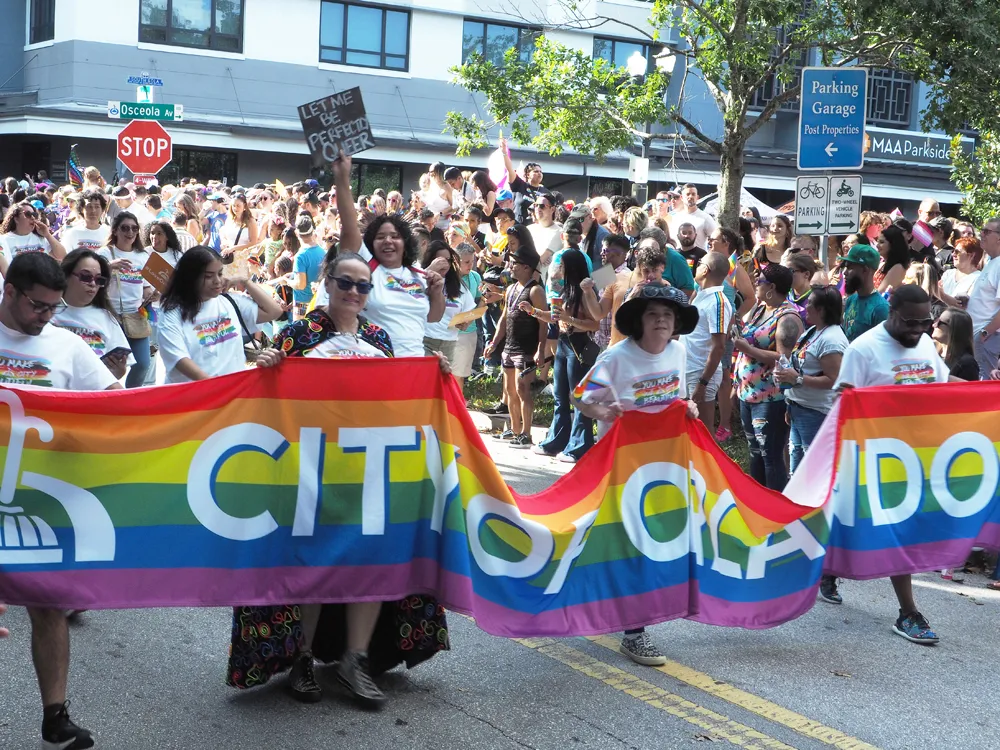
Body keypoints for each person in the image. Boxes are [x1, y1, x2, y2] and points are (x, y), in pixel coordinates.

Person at [228, 250, 449, 708]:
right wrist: (265, 367)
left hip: (370, 469)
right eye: (345, 282)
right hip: (310, 470)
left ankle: (356, 659)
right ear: (326, 282)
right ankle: (303, 657)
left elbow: (397, 401)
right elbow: (266, 401)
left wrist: (432, 377)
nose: (353, 291)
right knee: (314, 563)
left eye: (362, 285)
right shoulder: (298, 334)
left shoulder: (378, 337)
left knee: (373, 561)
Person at [0, 252, 122, 750]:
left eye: (53, 307)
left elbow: (116, 400)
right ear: (9, 291)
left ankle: (56, 718)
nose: (46, 316)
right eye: (38, 306)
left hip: (36, 502)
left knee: (48, 606)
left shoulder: (67, 345)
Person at [573, 283, 699, 665]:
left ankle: (610, 607)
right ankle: (633, 632)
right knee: (630, 539)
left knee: (652, 537)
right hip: (622, 464)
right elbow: (580, 397)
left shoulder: (679, 352)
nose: (661, 321)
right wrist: (605, 412)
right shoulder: (617, 357)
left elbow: (678, 397)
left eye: (667, 315)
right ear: (639, 322)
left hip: (664, 463)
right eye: (652, 314)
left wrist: (688, 406)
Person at [833, 284, 963, 644]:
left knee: (868, 525)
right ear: (892, 312)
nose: (919, 329)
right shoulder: (863, 349)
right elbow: (843, 403)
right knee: (898, 531)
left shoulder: (923, 342)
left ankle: (829, 567)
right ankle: (908, 613)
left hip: (921, 456)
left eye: (925, 322)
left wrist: (983, 390)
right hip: (879, 460)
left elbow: (941, 383)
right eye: (911, 322)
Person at [331, 154, 447, 357]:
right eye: (380, 237)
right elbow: (349, 227)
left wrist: (436, 292)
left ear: (405, 242)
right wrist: (342, 177)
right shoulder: (367, 271)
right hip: (376, 363)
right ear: (370, 244)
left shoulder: (418, 274)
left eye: (395, 236)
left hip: (413, 365)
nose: (388, 241)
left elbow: (434, 317)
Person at [157, 246, 283, 383]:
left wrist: (245, 282)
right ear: (190, 278)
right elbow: (179, 359)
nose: (217, 280)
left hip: (232, 391)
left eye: (220, 273)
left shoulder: (230, 301)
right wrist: (216, 387)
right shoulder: (172, 313)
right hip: (197, 394)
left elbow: (274, 311)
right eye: (208, 276)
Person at [733, 263, 802, 490]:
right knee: (755, 452)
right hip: (747, 393)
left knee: (770, 456)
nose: (755, 282)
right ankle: (757, 502)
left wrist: (748, 349)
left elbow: (785, 359)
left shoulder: (787, 317)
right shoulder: (761, 308)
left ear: (771, 287)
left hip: (771, 398)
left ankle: (775, 504)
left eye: (760, 280)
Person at [528, 248, 600, 463]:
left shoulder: (585, 292)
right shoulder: (564, 290)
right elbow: (555, 316)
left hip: (579, 345)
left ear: (571, 267)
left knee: (577, 397)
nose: (558, 268)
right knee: (559, 395)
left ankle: (579, 446)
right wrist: (534, 312)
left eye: (562, 265)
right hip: (563, 344)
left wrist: (570, 320)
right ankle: (556, 441)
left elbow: (594, 324)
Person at [774, 285, 847, 472]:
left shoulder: (831, 340)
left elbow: (834, 380)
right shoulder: (814, 330)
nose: (806, 306)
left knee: (812, 472)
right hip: (800, 409)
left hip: (816, 413)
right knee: (798, 470)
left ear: (821, 310)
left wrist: (798, 379)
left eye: (810, 304)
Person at [485, 244, 548, 449]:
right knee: (509, 389)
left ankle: (527, 434)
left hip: (526, 348)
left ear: (527, 267)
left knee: (524, 390)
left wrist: (540, 349)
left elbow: (543, 323)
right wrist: (494, 342)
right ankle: (514, 429)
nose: (510, 267)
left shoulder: (535, 291)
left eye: (515, 263)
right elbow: (504, 319)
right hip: (509, 347)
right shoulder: (511, 289)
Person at [52, 249, 131, 379]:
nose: (93, 284)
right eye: (85, 277)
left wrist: (116, 373)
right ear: (66, 275)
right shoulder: (46, 311)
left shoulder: (106, 318)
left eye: (99, 280)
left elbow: (116, 372)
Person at [100, 211, 154, 387]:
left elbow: (146, 287)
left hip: (135, 316)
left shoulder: (143, 256)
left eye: (134, 228)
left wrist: (152, 294)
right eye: (124, 228)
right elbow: (92, 279)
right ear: (115, 230)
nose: (130, 232)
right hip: (110, 317)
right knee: (106, 366)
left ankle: (130, 396)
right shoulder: (105, 253)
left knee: (143, 364)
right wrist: (108, 267)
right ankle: (106, 395)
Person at [683, 252, 734, 435]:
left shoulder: (718, 302)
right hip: (688, 368)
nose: (696, 267)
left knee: (703, 431)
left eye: (699, 264)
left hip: (701, 372)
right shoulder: (700, 294)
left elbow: (719, 347)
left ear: (705, 270)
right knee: (690, 429)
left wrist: (702, 383)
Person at [422, 241, 474, 361]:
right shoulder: (421, 280)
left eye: (448, 260)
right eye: (440, 260)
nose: (445, 264)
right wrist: (428, 272)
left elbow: (470, 311)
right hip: (425, 340)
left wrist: (466, 322)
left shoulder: (458, 285)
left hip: (449, 343)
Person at [963, 217, 1000, 377]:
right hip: (980, 337)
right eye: (982, 231)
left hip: (988, 337)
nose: (981, 234)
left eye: (986, 231)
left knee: (985, 383)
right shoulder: (993, 262)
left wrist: (985, 332)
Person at [0, 200, 67, 275]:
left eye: (34, 214)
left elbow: (62, 256)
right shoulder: (4, 240)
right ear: (16, 219)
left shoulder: (41, 238)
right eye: (28, 214)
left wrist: (47, 235)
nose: (32, 218)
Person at [840, 244, 889, 342]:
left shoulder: (881, 308)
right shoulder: (851, 300)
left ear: (865, 270)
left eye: (850, 268)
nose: (845, 273)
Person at [452, 242, 483, 390]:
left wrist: (486, 299)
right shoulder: (447, 278)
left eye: (472, 261)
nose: (470, 265)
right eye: (466, 262)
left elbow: (480, 299)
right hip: (449, 331)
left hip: (469, 332)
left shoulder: (475, 277)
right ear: (455, 260)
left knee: (460, 374)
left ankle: (457, 400)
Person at [286, 215, 325, 320]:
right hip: (318, 301)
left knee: (300, 329)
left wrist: (287, 281)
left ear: (297, 233)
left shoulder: (300, 256)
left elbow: (300, 285)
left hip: (302, 303)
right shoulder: (323, 252)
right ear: (312, 231)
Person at [219, 192, 260, 280]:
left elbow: (253, 242)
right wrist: (224, 243)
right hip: (229, 258)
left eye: (238, 206)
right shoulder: (230, 219)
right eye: (233, 205)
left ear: (244, 206)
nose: (235, 208)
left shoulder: (250, 221)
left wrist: (234, 248)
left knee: (240, 284)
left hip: (243, 259)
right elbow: (224, 235)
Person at [932, 306, 978, 381]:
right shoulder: (932, 354)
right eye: (935, 321)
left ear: (953, 329)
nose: (934, 325)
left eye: (939, 322)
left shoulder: (967, 363)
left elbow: (970, 388)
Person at [668, 184, 717, 249]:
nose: (690, 197)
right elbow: (671, 241)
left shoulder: (706, 218)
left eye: (693, 194)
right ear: (682, 198)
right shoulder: (675, 218)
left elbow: (716, 240)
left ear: (697, 197)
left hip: (699, 255)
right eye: (688, 194)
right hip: (677, 255)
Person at [526, 193, 564, 278]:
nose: (538, 209)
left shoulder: (559, 232)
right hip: (526, 279)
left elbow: (541, 258)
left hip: (544, 281)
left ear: (552, 209)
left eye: (542, 206)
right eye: (535, 205)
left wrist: (537, 259)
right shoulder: (528, 229)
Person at [937, 237, 981, 308]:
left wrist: (941, 294)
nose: (953, 254)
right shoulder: (948, 273)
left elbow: (962, 306)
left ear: (971, 255)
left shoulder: (978, 278)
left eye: (957, 252)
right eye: (953, 251)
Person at [874, 225, 910, 293]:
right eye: (877, 241)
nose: (877, 245)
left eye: (881, 242)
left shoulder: (898, 267)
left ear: (893, 244)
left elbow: (881, 292)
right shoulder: (882, 264)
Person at [784, 253, 817, 323]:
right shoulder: (784, 295)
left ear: (806, 274)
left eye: (791, 271)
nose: (786, 275)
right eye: (785, 271)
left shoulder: (817, 299)